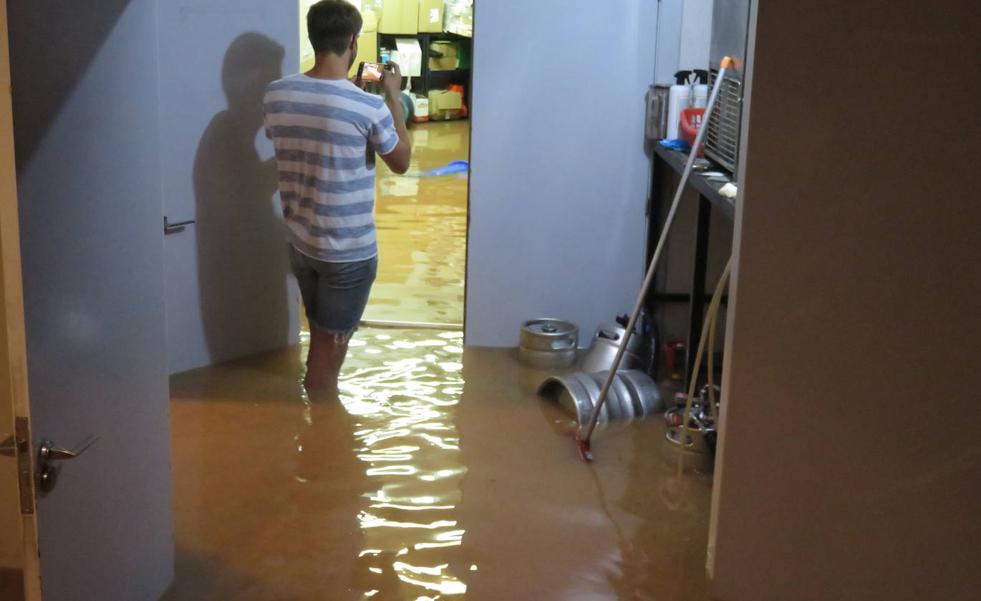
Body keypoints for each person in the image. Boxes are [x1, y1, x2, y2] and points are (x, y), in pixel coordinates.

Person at [264, 0, 411, 393]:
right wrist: (393, 98)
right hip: (348, 253)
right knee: (330, 351)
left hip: (302, 243)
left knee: (321, 333)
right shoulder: (368, 105)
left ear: (313, 38)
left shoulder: (276, 95)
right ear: (352, 40)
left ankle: (315, 418)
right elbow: (401, 162)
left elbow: (303, 140)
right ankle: (323, 435)